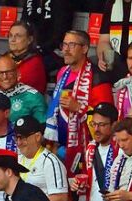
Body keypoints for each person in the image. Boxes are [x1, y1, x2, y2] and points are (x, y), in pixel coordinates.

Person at [45, 29, 111, 177]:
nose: (66, 50)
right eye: (64, 45)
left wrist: (79, 107)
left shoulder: (97, 77)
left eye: (72, 45)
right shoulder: (63, 72)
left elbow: (107, 118)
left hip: (85, 148)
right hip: (60, 145)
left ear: (85, 49)